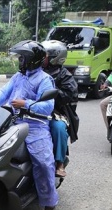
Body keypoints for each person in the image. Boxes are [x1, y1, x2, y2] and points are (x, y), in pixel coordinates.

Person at [0, 40, 59, 210]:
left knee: (43, 163)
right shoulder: (18, 76)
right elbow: (3, 93)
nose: (20, 61)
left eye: (23, 58)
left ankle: (49, 203)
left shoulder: (44, 79)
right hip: (13, 122)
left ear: (32, 59)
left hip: (35, 126)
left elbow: (48, 106)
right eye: (20, 58)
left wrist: (27, 104)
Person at [41, 40, 79, 178]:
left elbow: (70, 95)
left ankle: (59, 163)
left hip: (55, 113)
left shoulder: (64, 75)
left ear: (54, 57)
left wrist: (53, 91)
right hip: (32, 110)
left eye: (44, 55)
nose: (41, 57)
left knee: (59, 128)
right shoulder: (35, 70)